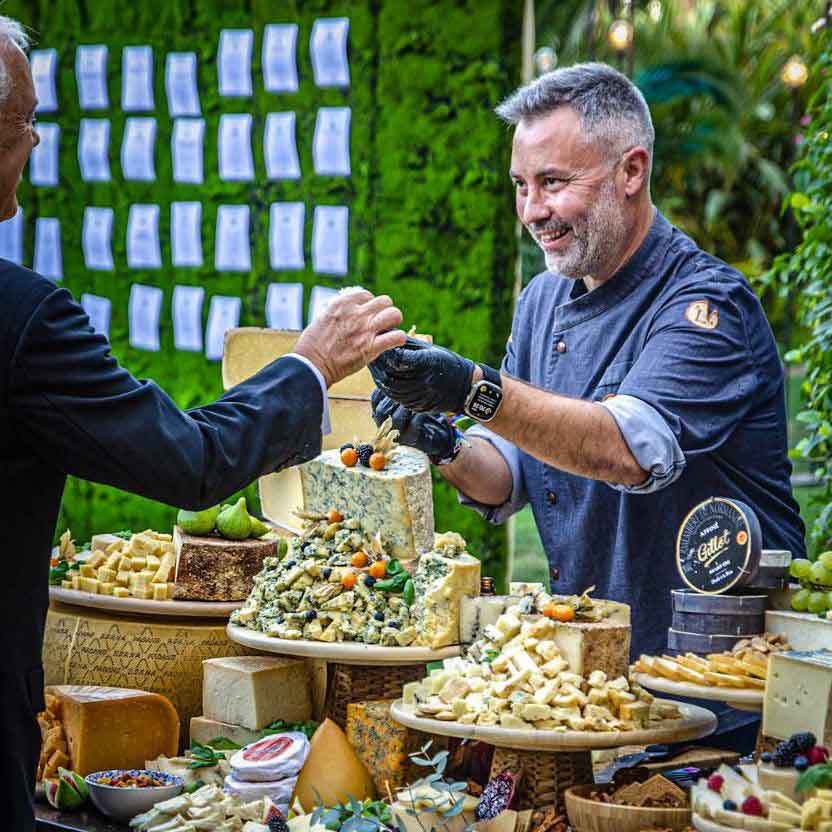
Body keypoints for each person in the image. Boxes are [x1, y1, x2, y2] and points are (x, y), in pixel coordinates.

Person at [0, 19, 406, 830]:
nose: (36, 145)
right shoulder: (22, 318)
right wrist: (311, 366)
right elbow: (188, 458)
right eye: (25, 125)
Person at [371, 63, 806, 658]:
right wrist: (442, 441)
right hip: (591, 672)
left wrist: (469, 388)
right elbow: (511, 475)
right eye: (520, 185)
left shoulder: (706, 304)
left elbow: (624, 450)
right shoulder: (541, 300)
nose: (531, 210)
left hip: (718, 679)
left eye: (552, 182)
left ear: (631, 170)